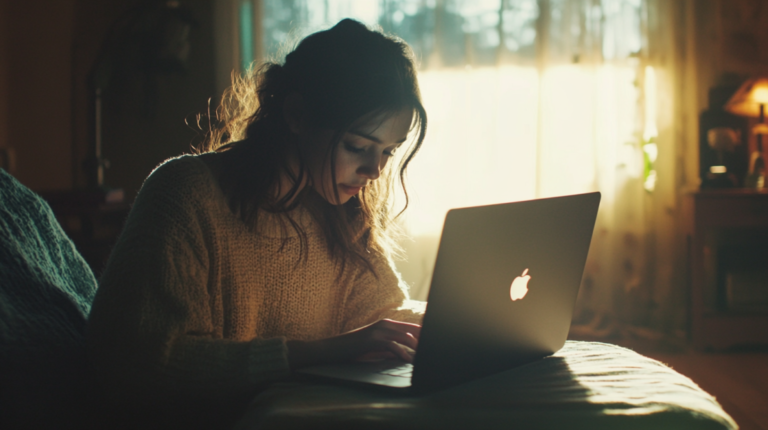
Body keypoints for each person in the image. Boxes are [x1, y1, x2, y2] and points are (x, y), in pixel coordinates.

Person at [86, 18, 428, 426]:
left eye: (389, 152)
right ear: (297, 114)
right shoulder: (186, 194)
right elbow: (142, 366)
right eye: (357, 146)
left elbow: (380, 316)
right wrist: (326, 350)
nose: (374, 170)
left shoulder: (341, 213)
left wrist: (448, 324)